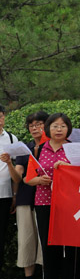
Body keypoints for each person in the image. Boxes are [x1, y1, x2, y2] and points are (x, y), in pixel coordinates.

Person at [27, 113, 76, 279]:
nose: (59, 129)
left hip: (69, 204)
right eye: (55, 126)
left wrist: (68, 168)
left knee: (68, 246)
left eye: (63, 126)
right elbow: (28, 178)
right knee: (48, 246)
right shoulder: (38, 149)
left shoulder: (74, 148)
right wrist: (40, 180)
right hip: (44, 202)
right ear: (48, 128)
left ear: (68, 129)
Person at [0, 111, 46, 279]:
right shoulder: (24, 149)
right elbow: (18, 177)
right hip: (25, 198)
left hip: (46, 199)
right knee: (26, 240)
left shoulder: (52, 147)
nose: (34, 128)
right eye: (31, 125)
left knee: (43, 240)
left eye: (38, 124)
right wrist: (9, 164)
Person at [0, 105, 18, 269]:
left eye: (0, 116)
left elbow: (18, 168)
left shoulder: (12, 139)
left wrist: (14, 194)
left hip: (4, 195)